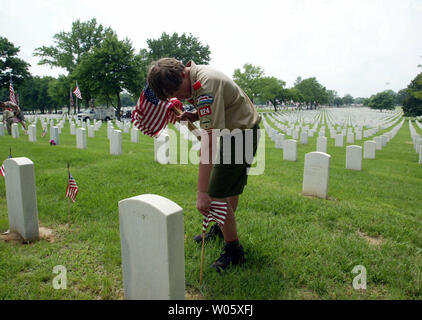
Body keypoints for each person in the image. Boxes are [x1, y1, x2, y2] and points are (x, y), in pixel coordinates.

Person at [147, 58, 261, 272]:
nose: (181, 98)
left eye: (179, 93)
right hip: (236, 129)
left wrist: (202, 192)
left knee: (216, 193)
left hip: (241, 133)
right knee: (226, 188)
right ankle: (221, 229)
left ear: (182, 73)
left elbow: (209, 143)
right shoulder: (197, 77)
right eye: (175, 97)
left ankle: (234, 251)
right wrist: (196, 115)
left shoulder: (205, 84)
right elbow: (223, 105)